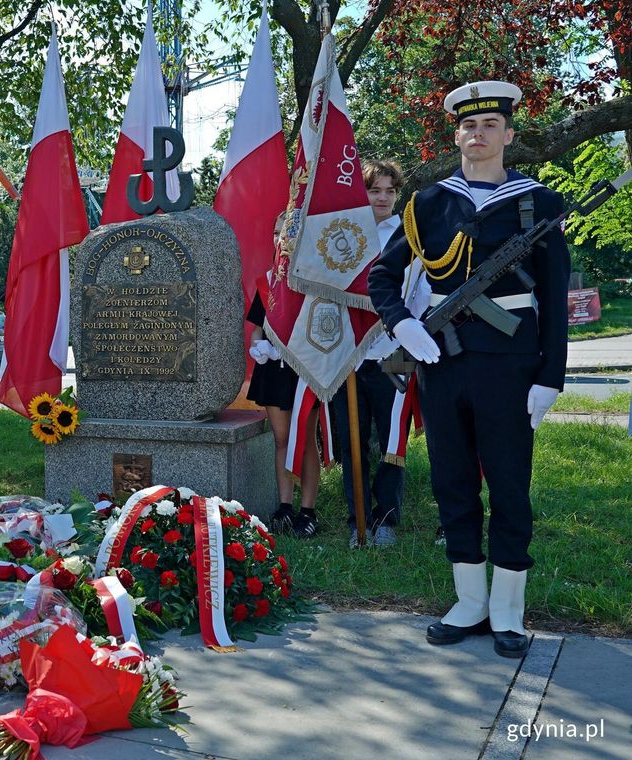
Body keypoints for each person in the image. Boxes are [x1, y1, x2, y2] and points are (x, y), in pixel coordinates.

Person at [368, 82, 570, 658]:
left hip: (511, 366)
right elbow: (384, 277)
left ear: (509, 134)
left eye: (489, 125)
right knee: (452, 481)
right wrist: (402, 324)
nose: (477, 134)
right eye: (467, 125)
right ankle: (469, 601)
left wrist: (549, 376)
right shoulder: (428, 203)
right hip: (443, 361)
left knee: (509, 483)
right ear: (456, 133)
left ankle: (508, 608)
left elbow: (554, 298)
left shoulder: (541, 203)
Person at [332, 160, 428, 548]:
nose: (384, 198)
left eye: (390, 191)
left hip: (396, 350)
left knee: (392, 441)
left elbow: (420, 292)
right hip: (349, 354)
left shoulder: (409, 237)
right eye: (375, 191)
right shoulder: (343, 238)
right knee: (350, 439)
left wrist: (412, 334)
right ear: (362, 193)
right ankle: (359, 515)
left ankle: (386, 517)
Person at [247, 213, 320, 538]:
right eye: (277, 233)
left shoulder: (315, 280)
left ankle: (308, 511)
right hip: (273, 371)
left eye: (288, 234)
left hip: (306, 371)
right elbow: (257, 330)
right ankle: (284, 506)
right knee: (281, 440)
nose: (281, 240)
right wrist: (259, 347)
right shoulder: (267, 282)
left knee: (305, 441)